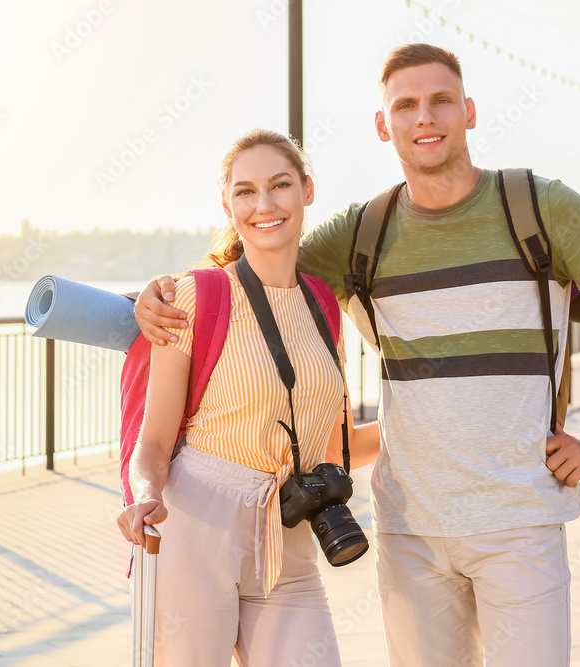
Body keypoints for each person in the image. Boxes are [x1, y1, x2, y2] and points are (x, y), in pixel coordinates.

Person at [133, 44, 580, 667]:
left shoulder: (542, 207)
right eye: (406, 105)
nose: (425, 117)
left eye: (441, 100)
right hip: (409, 531)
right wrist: (151, 296)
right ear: (383, 124)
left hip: (521, 519)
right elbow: (256, 269)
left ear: (468, 111)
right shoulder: (361, 233)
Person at [116, 129, 381, 667]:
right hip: (194, 527)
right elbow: (156, 442)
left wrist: (438, 421)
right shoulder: (192, 295)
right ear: (227, 203)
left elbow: (336, 445)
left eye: (280, 185)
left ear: (307, 190)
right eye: (245, 191)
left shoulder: (325, 307)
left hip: (286, 532)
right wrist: (143, 494)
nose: (263, 205)